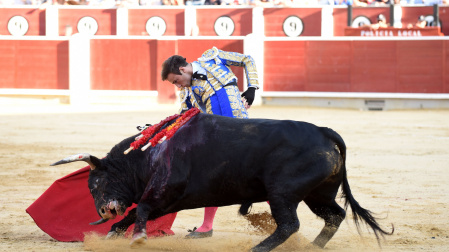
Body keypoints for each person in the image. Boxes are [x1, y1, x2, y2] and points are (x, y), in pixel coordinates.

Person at [161, 46, 259, 238]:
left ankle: (283, 218)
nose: (179, 86)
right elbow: (185, 116)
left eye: (176, 81)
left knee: (257, 171)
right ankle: (206, 226)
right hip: (218, 138)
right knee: (211, 175)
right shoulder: (187, 94)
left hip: (242, 132)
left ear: (182, 70)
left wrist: (252, 88)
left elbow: (247, 59)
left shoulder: (212, 58)